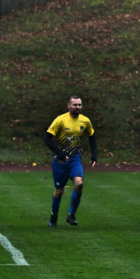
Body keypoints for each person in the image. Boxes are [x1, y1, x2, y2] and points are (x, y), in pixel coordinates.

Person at [44, 95, 97, 227]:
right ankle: (53, 216)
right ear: (69, 106)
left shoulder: (85, 121)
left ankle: (71, 215)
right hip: (60, 161)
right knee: (59, 191)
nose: (77, 107)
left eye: (79, 105)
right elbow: (47, 139)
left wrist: (94, 155)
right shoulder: (60, 120)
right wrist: (60, 153)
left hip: (75, 159)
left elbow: (92, 137)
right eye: (75, 105)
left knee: (79, 184)